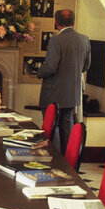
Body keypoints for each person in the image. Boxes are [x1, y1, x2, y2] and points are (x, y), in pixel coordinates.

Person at [37, 9, 91, 154]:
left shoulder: (55, 40)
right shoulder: (84, 39)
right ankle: (67, 163)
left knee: (51, 128)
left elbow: (50, 67)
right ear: (73, 22)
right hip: (72, 93)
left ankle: (52, 160)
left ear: (56, 22)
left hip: (53, 93)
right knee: (67, 128)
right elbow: (86, 66)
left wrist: (38, 72)